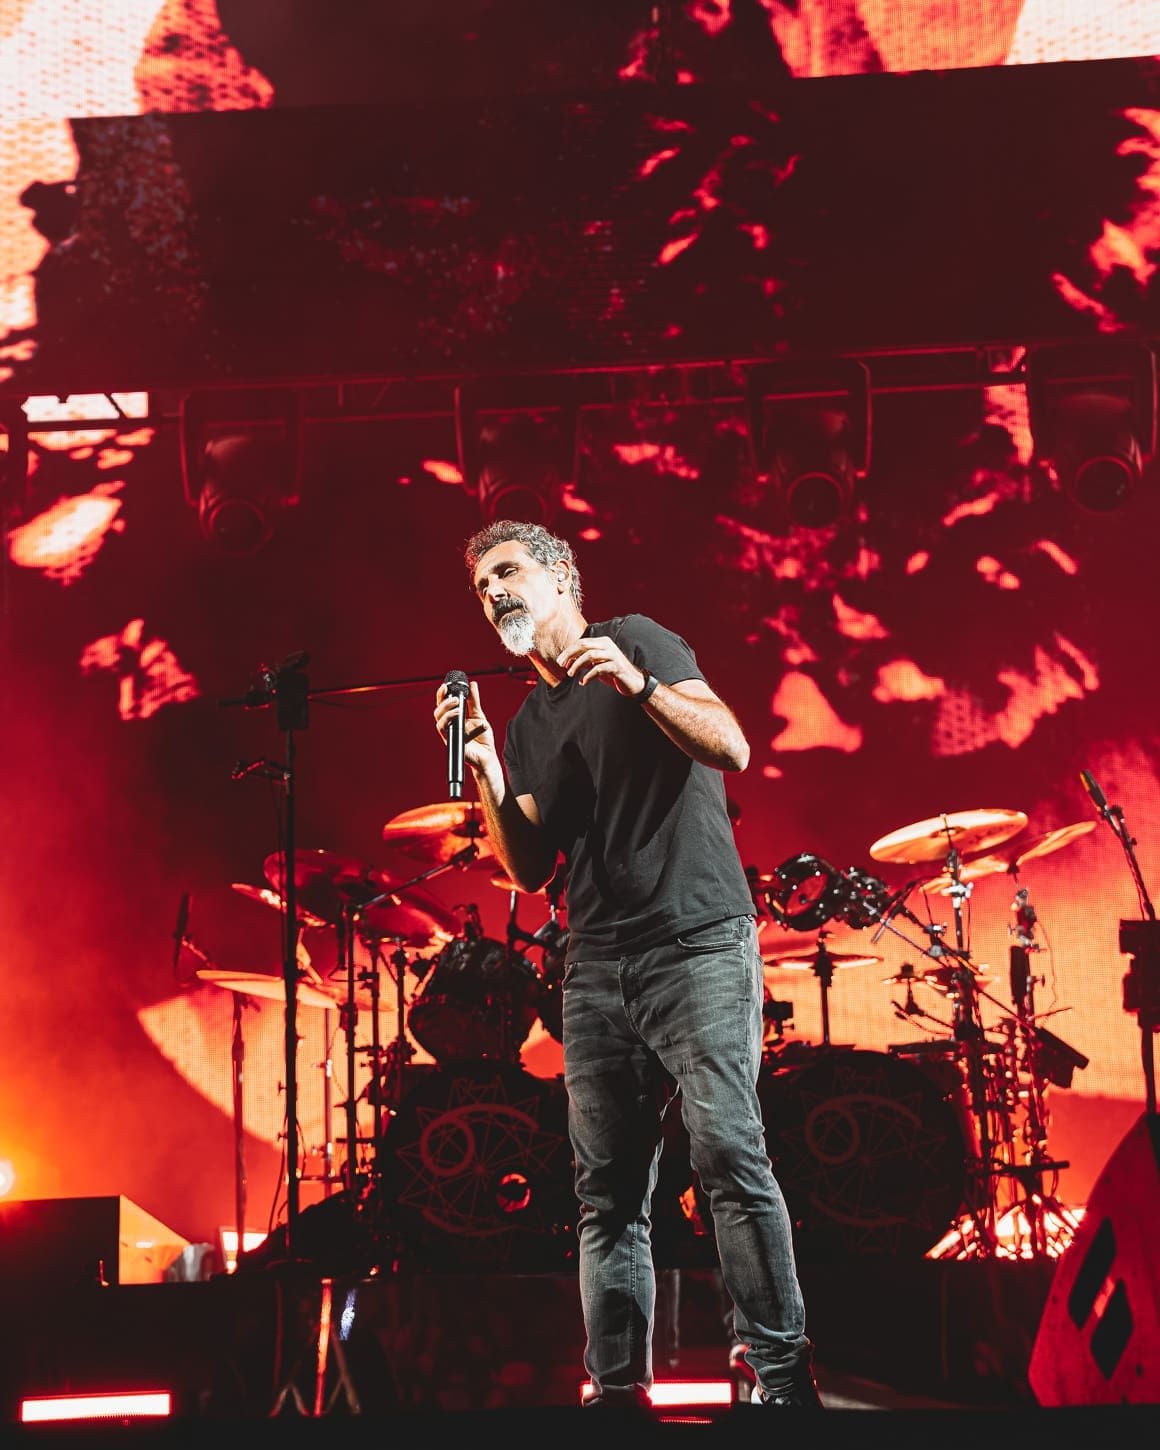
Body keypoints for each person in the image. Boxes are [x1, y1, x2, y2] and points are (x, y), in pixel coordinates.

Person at [432, 517, 821, 1409]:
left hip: (696, 943)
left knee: (728, 1153)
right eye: (482, 585)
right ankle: (617, 1394)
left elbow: (732, 747)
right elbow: (530, 869)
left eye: (507, 571)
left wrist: (640, 685)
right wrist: (487, 769)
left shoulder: (637, 640)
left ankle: (782, 1376)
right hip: (598, 966)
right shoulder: (528, 723)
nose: (493, 592)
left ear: (559, 578)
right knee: (607, 1193)